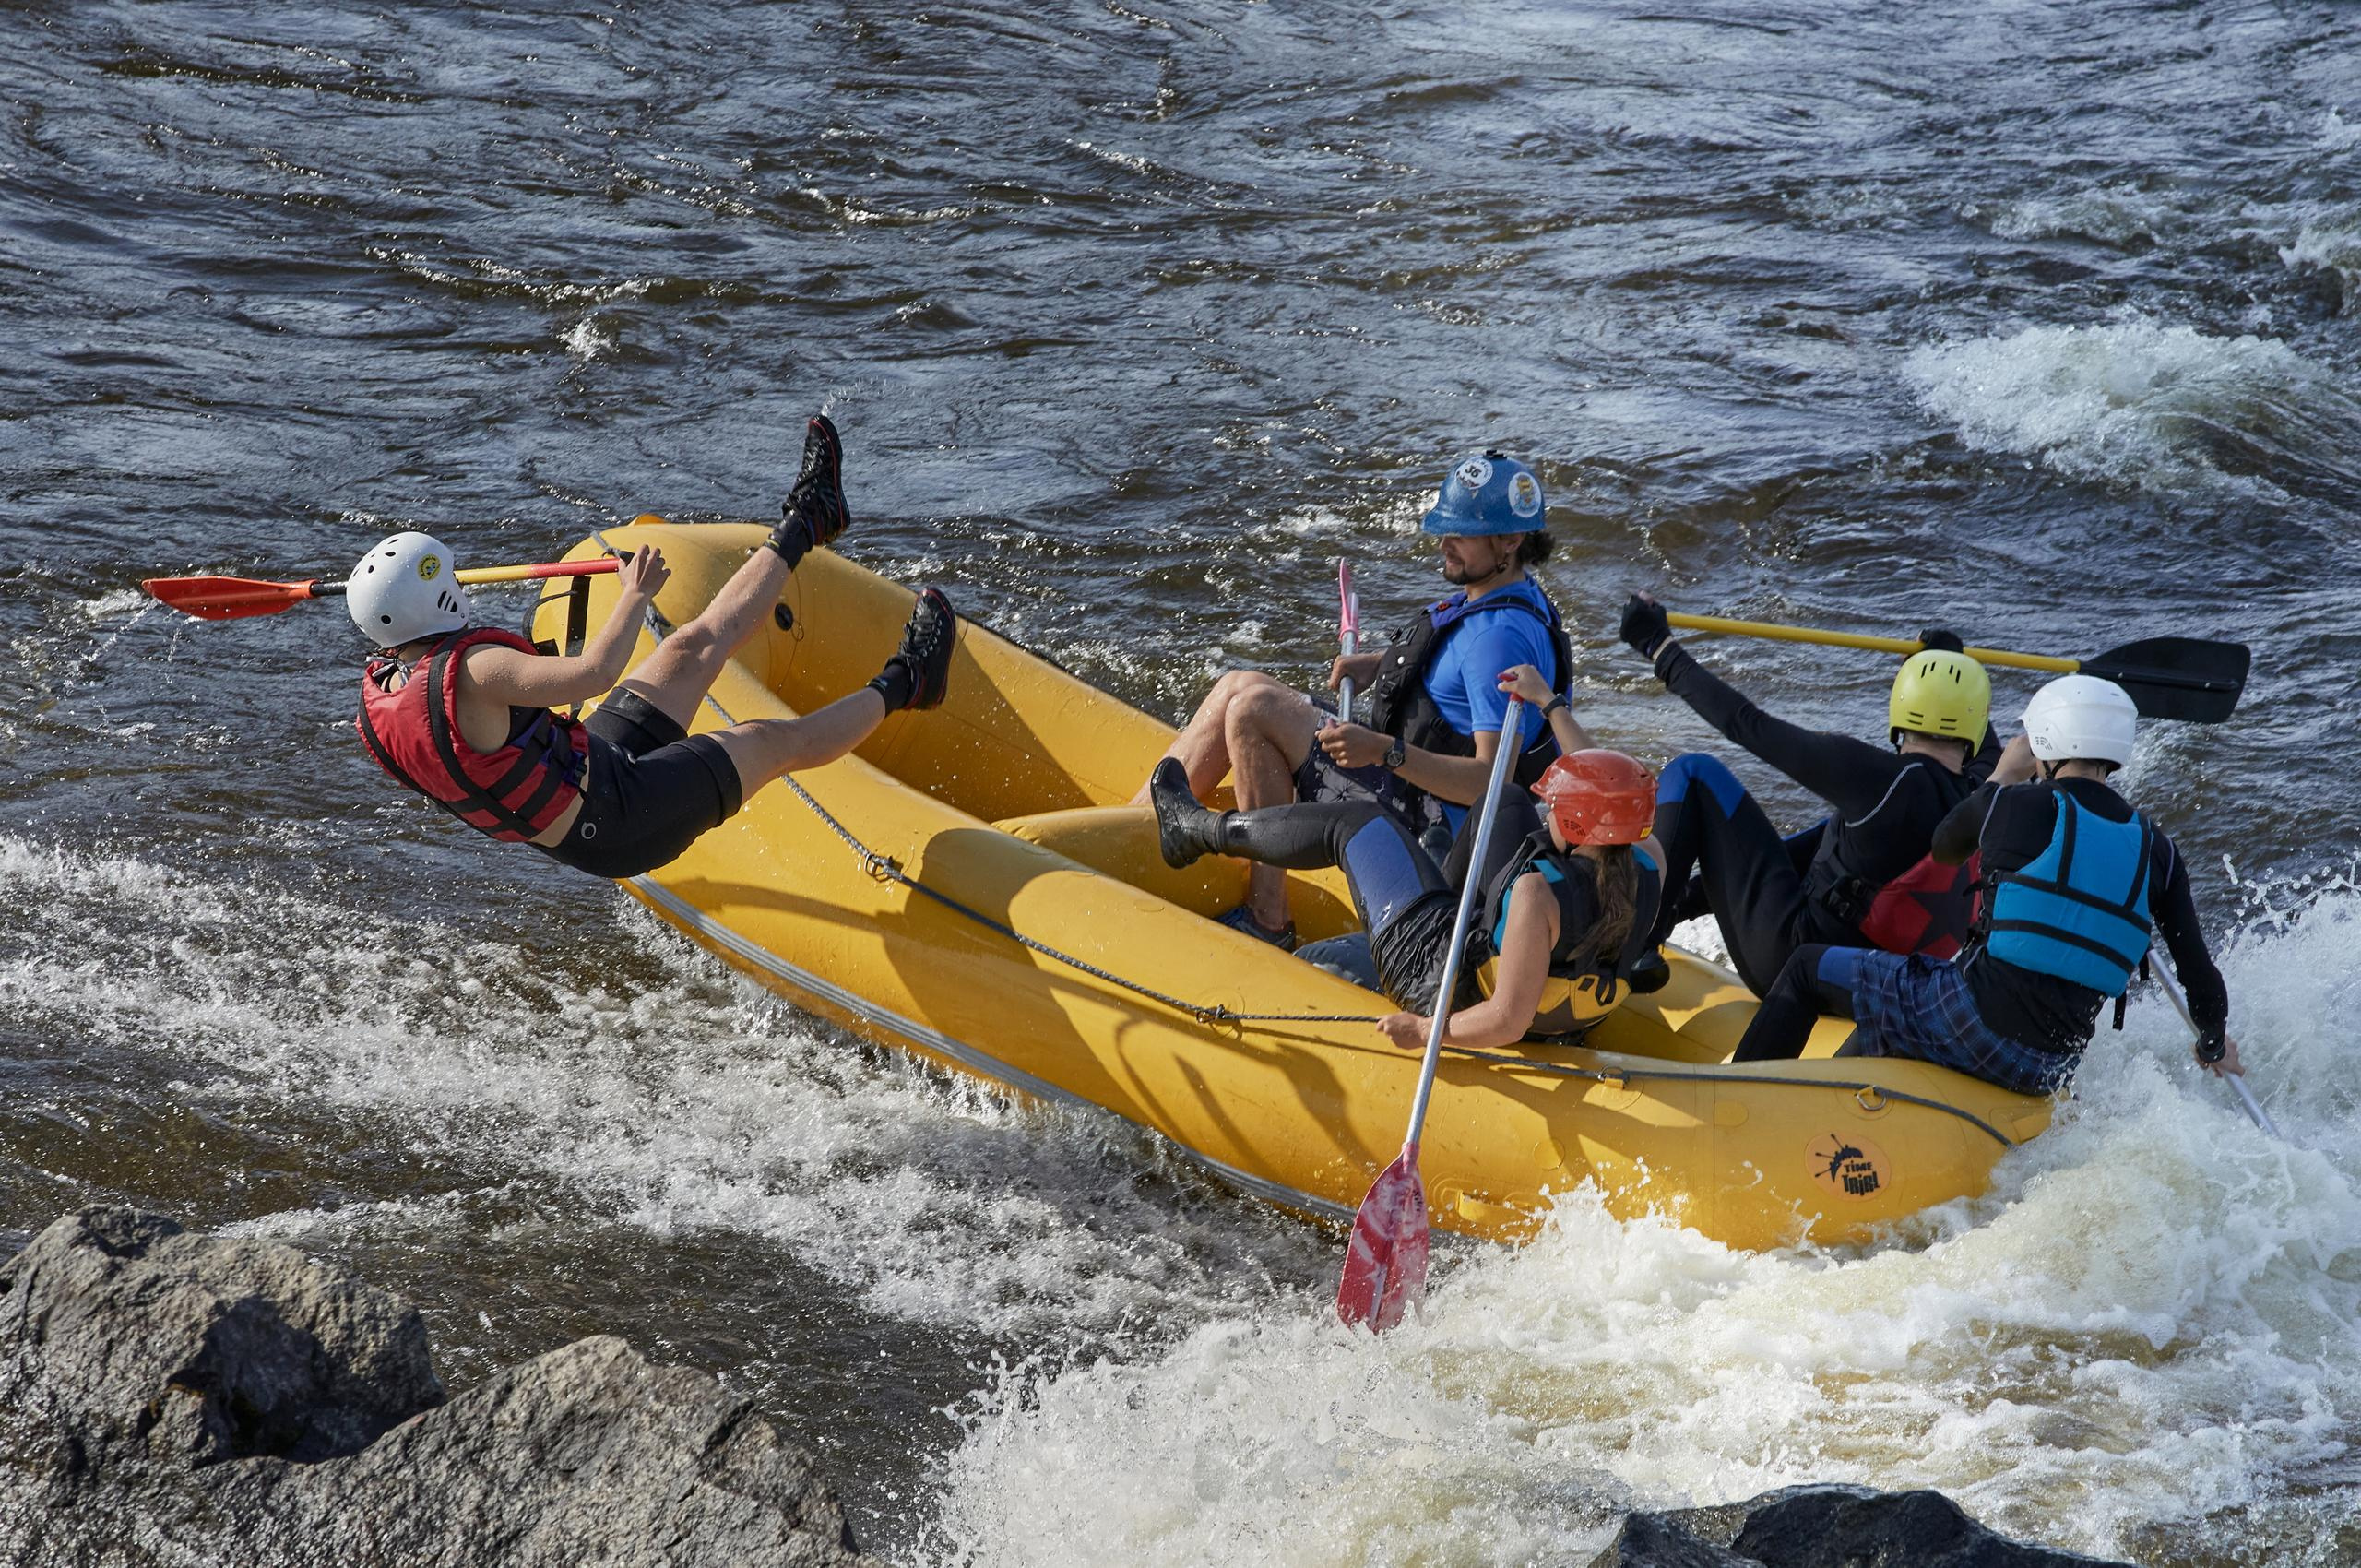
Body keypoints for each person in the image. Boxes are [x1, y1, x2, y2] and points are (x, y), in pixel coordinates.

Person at [351, 416, 960, 881]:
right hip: (619, 821)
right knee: (771, 742)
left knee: (692, 645)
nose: (459, 584)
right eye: (446, 581)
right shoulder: (479, 673)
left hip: (594, 772)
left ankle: (809, 518)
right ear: (432, 605)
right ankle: (910, 680)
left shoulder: (385, 691)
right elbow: (595, 674)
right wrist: (635, 594)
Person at [1137, 450, 1573, 952]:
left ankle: (1267, 919)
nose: (1444, 543)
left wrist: (1383, 751)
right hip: (1424, 792)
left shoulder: (1499, 638)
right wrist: (1385, 663)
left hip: (1436, 830)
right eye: (1443, 527)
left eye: (1462, 533)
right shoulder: (1512, 594)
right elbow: (1460, 668)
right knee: (1240, 684)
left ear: (1512, 541)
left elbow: (1488, 783)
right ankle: (1144, 824)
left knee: (1253, 712)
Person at [1727, 675, 2239, 1092]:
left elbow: (1947, 844)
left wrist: (2002, 775)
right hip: (2049, 1068)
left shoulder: (2018, 804)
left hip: (1967, 1024)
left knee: (1805, 968)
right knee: (1894, 1008)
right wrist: (2211, 1043)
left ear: (2045, 743)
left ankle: (1741, 1102)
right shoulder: (2160, 851)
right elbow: (2200, 976)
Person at [1145, 673, 1661, 1050]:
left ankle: (1197, 831)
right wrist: (1548, 704)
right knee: (1504, 802)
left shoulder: (1537, 896)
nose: (1548, 808)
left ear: (1576, 824)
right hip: (1557, 1004)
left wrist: (1426, 1031)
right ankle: (1436, 870)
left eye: (1558, 807)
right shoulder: (1649, 866)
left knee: (1356, 823)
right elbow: (1607, 791)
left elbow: (1507, 1021)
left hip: (1436, 977)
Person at [1617, 592, 1999, 997]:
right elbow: (1986, 740)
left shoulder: (1876, 778)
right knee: (1835, 833)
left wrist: (1657, 646)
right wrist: (1952, 664)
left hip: (1794, 965)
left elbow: (1745, 723)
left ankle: (1639, 947)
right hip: (1882, 988)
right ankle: (1684, 904)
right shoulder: (1985, 788)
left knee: (1694, 773)